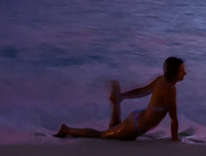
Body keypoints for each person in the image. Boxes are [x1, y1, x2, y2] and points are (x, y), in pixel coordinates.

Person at [55, 57, 186, 141]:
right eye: (181, 71)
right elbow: (173, 118)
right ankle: (67, 129)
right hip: (134, 127)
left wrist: (123, 96)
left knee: (113, 127)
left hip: (135, 117)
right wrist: (175, 140)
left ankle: (116, 102)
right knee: (102, 135)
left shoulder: (160, 80)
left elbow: (141, 91)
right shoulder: (170, 90)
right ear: (174, 73)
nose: (184, 73)